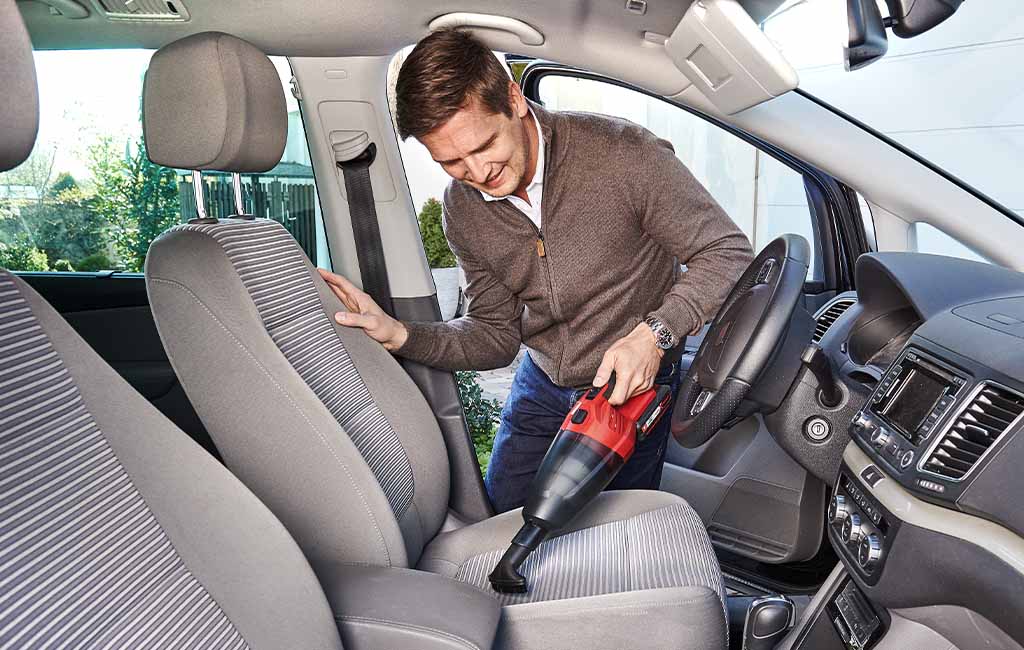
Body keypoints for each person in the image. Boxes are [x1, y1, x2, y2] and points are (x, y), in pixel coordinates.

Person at [320, 28, 754, 513]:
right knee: (502, 528)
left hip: (630, 394)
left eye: (484, 145)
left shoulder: (624, 154)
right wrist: (401, 334)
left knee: (610, 544)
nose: (478, 172)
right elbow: (494, 335)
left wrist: (654, 335)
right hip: (539, 387)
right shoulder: (463, 209)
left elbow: (728, 252)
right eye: (451, 161)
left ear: (514, 99)